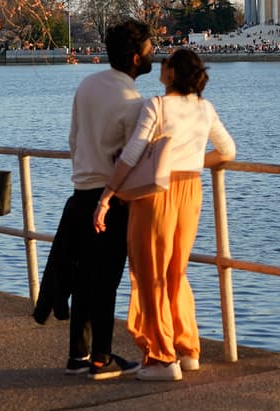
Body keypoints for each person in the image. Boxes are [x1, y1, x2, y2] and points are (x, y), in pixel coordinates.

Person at [95, 47, 235, 381]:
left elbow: (132, 152)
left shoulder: (156, 106)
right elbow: (227, 151)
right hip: (191, 189)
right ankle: (187, 349)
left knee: (150, 273)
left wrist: (107, 194)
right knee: (175, 270)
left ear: (172, 74)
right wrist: (191, 162)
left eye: (165, 62)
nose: (160, 64)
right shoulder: (204, 108)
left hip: (157, 193)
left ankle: (161, 358)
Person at [35, 19, 154, 380]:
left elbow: (74, 137)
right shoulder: (133, 103)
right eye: (150, 48)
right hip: (110, 198)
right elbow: (130, 157)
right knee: (106, 280)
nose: (154, 53)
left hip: (80, 191)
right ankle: (101, 357)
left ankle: (78, 354)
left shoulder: (88, 85)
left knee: (83, 274)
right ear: (136, 58)